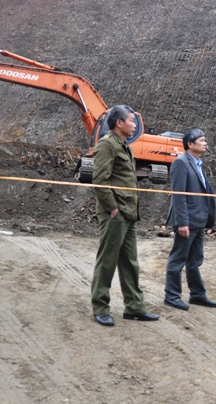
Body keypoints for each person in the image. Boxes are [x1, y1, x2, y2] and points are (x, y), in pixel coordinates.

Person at [90, 105, 159, 326]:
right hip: (115, 214)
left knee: (130, 262)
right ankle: (100, 307)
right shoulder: (107, 145)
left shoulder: (124, 145)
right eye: (131, 120)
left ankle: (134, 307)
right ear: (119, 122)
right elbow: (100, 181)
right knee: (107, 261)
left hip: (128, 212)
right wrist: (112, 208)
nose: (135, 124)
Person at [164, 128, 216, 310]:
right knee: (178, 259)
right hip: (188, 220)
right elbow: (179, 195)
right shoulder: (181, 163)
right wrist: (183, 222)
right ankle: (172, 296)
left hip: (199, 219)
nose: (205, 143)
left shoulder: (197, 163)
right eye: (202, 140)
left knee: (195, 259)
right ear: (190, 144)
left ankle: (197, 295)